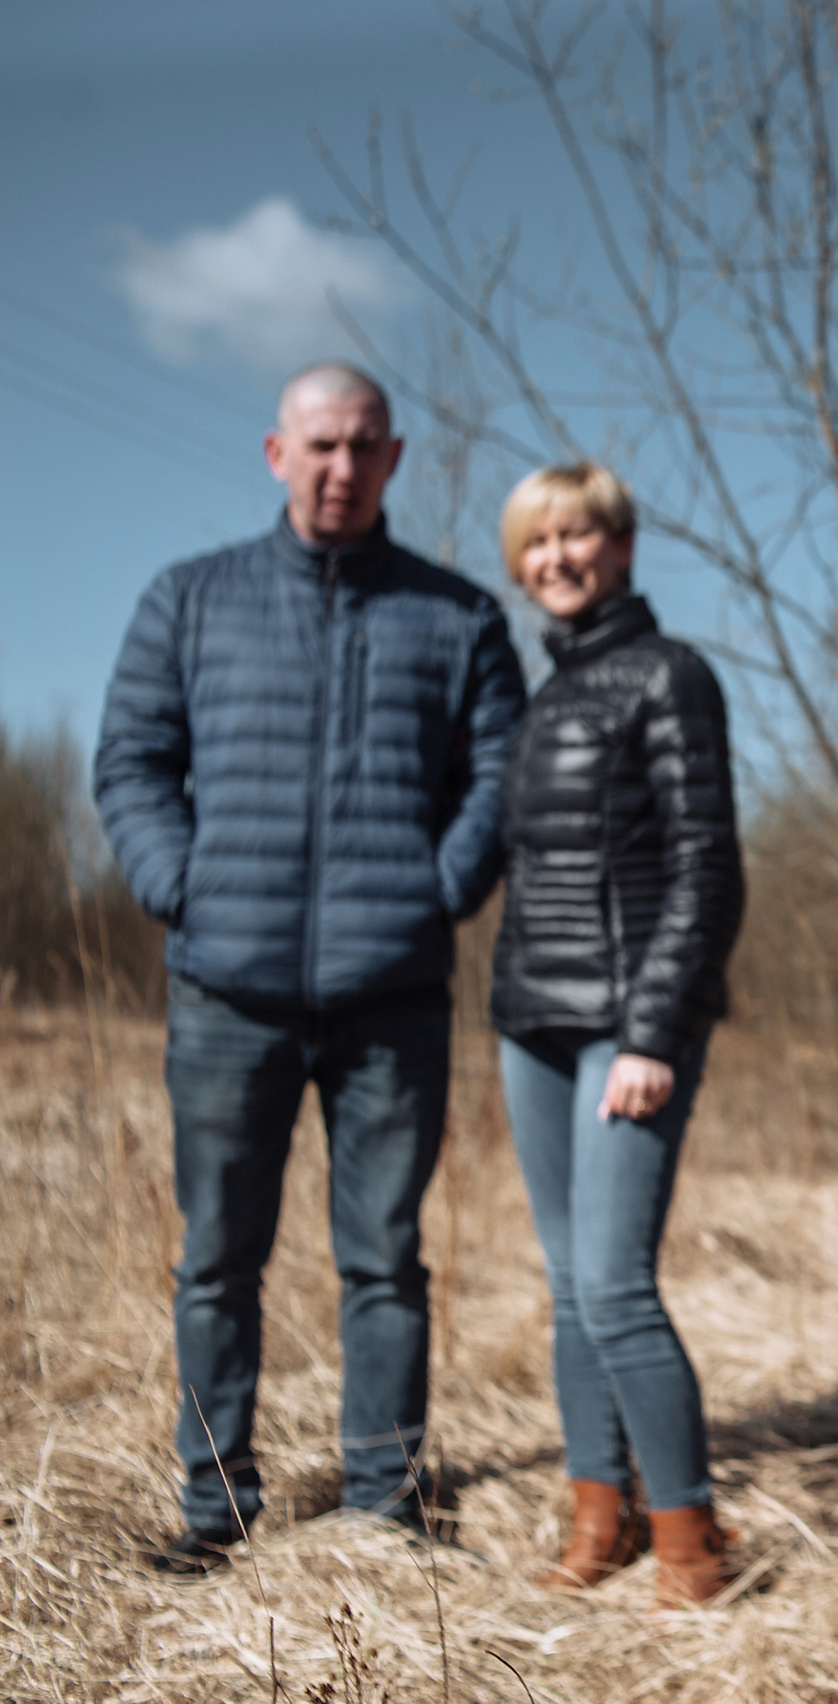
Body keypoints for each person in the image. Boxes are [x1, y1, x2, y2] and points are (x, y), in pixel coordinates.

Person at [94, 362, 525, 1575]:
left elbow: (499, 775)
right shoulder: (190, 601)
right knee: (220, 1259)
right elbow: (129, 761)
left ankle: (383, 1506)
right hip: (227, 993)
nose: (342, 467)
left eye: (365, 446)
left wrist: (436, 893)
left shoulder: (459, 617)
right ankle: (213, 1509)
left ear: (394, 460)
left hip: (393, 999)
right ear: (278, 455)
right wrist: (184, 888)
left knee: (383, 1259)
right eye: (320, 444)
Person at [487, 463, 746, 1608]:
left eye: (577, 537)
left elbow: (706, 867)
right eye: (537, 544)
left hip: (628, 1029)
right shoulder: (539, 699)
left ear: (622, 547)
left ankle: (691, 1540)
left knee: (613, 1282)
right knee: (567, 1284)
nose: (558, 559)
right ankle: (600, 1513)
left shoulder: (670, 675)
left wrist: (652, 1030)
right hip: (531, 1024)